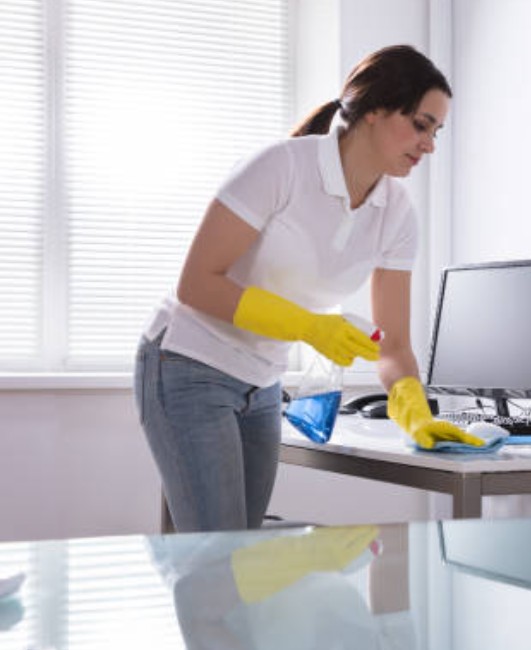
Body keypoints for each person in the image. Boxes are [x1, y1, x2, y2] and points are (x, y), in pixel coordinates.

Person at [134, 44, 483, 533]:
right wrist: (308, 326)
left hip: (262, 381)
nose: (429, 145)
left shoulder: (397, 212)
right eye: (421, 124)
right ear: (376, 109)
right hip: (188, 363)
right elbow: (196, 283)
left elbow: (395, 344)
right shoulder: (282, 167)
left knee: (236, 555)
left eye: (436, 132)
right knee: (219, 559)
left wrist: (416, 413)